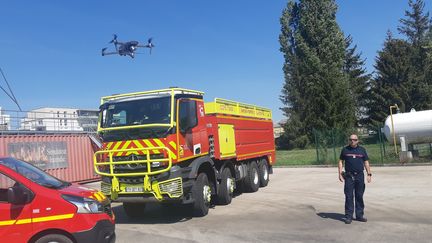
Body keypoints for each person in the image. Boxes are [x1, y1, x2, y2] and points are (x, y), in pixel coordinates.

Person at [338, 133, 372, 224]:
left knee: (359, 195)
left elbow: (366, 162)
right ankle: (348, 216)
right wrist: (340, 173)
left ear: (358, 141)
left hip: (360, 176)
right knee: (349, 196)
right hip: (349, 176)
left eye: (354, 140)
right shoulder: (345, 150)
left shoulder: (362, 150)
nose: (352, 141)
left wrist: (369, 174)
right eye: (351, 139)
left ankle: (359, 215)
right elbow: (341, 161)